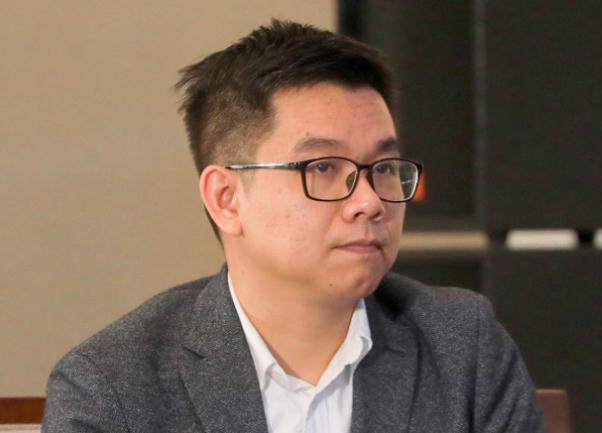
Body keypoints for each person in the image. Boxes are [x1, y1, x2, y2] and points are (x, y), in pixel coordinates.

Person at [43, 20, 545, 433]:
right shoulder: (113, 385)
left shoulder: (461, 348)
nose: (369, 202)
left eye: (383, 168)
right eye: (323, 167)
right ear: (226, 198)